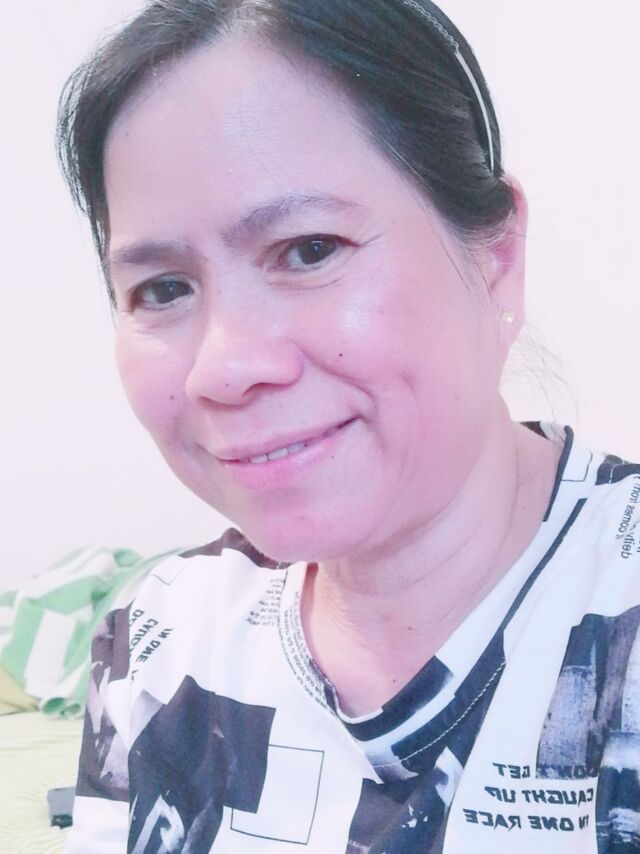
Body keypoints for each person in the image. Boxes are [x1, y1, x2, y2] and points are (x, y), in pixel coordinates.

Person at [58, 1, 640, 851]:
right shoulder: (160, 640)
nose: (223, 368)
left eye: (309, 249)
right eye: (163, 289)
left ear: (495, 259)